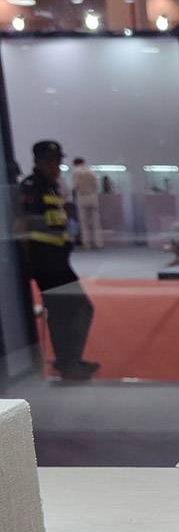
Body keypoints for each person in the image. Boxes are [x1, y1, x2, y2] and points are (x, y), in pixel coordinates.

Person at [19, 140, 99, 381]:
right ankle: (68, 362)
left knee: (65, 311)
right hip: (45, 261)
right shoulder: (32, 186)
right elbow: (25, 223)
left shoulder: (51, 186)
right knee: (75, 308)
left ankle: (68, 360)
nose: (56, 167)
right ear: (40, 161)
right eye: (52, 162)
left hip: (57, 259)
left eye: (58, 162)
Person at [71, 156, 103, 249]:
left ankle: (86, 243)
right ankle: (98, 243)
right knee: (96, 222)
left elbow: (75, 186)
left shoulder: (76, 172)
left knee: (84, 222)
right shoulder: (91, 171)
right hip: (93, 197)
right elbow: (96, 185)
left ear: (75, 163)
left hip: (82, 197)